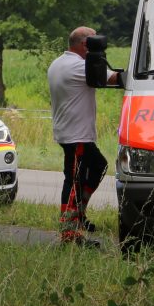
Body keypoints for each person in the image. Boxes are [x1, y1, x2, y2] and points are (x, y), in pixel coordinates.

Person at [47, 26, 114, 243]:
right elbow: (113, 79)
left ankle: (79, 214)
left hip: (70, 132)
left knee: (98, 166)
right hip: (77, 135)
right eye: (94, 41)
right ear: (85, 44)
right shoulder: (78, 66)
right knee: (74, 180)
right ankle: (69, 232)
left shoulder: (58, 63)